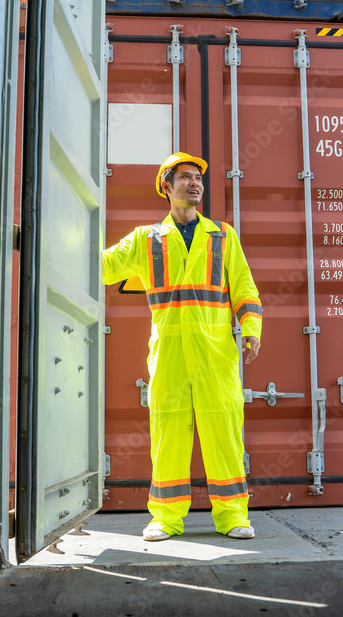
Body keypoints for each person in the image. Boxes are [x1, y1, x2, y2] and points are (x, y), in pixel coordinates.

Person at [102, 152, 263, 541]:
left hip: (215, 353)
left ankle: (233, 516)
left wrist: (252, 327)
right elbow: (104, 267)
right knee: (168, 434)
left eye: (198, 179)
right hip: (170, 352)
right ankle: (165, 518)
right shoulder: (145, 239)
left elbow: (243, 286)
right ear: (167, 187)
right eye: (186, 178)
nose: (195, 184)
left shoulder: (223, 236)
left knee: (224, 434)